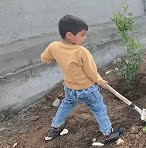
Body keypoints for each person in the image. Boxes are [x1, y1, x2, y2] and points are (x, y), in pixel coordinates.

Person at [40, 15, 125, 146]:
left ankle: (55, 128)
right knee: (99, 109)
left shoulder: (54, 47)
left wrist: (58, 57)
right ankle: (108, 134)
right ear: (69, 35)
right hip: (88, 90)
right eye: (82, 35)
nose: (85, 38)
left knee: (65, 105)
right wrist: (101, 81)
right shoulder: (81, 52)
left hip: (69, 88)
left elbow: (44, 59)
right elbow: (91, 72)